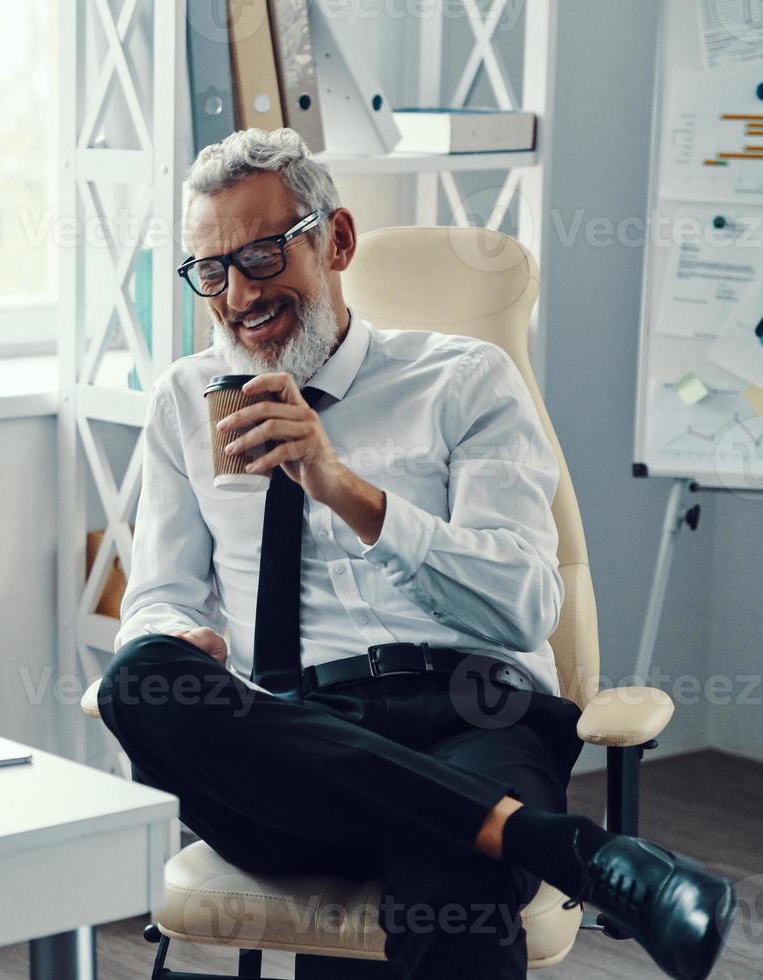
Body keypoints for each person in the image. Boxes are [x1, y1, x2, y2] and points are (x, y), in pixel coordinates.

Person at [98, 127, 735, 980]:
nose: (237, 297)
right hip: (292, 731)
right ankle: (561, 845)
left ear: (338, 240)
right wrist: (176, 634)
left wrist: (344, 488)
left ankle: (485, 829)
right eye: (210, 273)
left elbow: (523, 606)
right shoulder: (186, 400)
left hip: (472, 714)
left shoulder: (464, 378)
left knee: (452, 888)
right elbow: (159, 596)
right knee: (137, 677)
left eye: (260, 256)